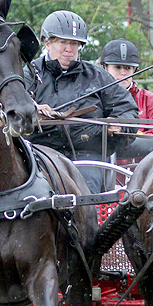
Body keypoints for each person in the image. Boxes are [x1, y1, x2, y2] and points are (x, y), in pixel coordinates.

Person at [25, 10, 138, 193]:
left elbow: (127, 109)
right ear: (47, 42)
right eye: (63, 42)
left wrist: (120, 126)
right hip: (39, 153)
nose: (69, 49)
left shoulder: (97, 76)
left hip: (87, 155)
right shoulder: (29, 74)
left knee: (83, 192)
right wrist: (32, 109)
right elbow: (11, 105)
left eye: (74, 44)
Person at [99, 38, 153, 162]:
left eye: (128, 68)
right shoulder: (93, 99)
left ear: (134, 70)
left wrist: (132, 135)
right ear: (105, 68)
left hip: (142, 171)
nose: (123, 73)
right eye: (117, 67)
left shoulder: (150, 100)